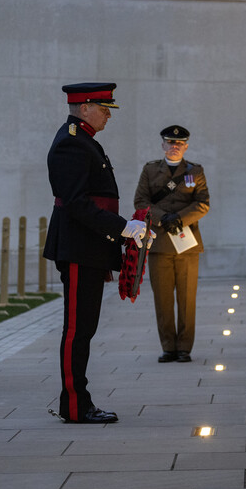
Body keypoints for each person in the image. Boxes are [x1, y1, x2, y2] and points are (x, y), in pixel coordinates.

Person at [44, 82, 152, 424]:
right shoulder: (71, 143)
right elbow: (76, 203)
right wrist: (122, 228)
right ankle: (75, 405)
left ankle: (78, 401)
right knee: (77, 329)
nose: (108, 113)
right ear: (85, 106)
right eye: (104, 107)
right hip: (79, 247)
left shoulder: (84, 140)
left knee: (84, 328)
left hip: (89, 246)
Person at [133, 125, 210, 363]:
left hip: (187, 243)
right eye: (170, 142)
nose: (174, 146)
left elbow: (203, 203)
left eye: (179, 143)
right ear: (163, 145)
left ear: (186, 146)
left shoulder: (195, 171)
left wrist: (178, 218)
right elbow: (140, 201)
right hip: (159, 243)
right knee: (163, 298)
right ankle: (168, 347)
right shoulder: (150, 170)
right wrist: (161, 218)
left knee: (187, 298)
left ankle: (185, 348)